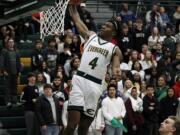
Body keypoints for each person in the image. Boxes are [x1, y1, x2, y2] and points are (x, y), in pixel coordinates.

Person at [64, 4, 122, 135]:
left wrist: (116, 70)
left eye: (107, 26)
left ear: (113, 33)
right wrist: (72, 5)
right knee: (72, 124)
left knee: (84, 128)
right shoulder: (91, 36)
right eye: (104, 24)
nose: (103, 26)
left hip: (96, 86)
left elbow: (116, 64)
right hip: (79, 80)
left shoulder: (114, 48)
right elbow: (77, 18)